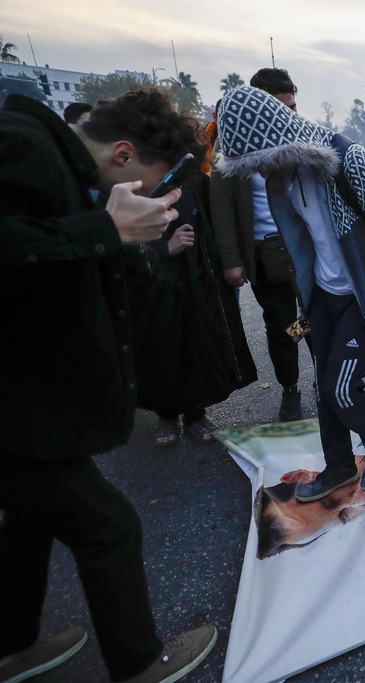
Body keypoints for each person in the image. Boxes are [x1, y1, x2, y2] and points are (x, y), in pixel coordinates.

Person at [0, 89, 217, 683]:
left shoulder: (60, 166)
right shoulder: (22, 144)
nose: (150, 201)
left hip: (25, 407)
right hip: (14, 409)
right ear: (122, 155)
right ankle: (141, 665)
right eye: (149, 186)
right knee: (110, 527)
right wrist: (104, 227)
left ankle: (12, 647)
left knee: (28, 520)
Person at [215, 85, 365, 501]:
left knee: (341, 386)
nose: (260, 173)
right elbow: (304, 245)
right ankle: (339, 466)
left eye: (261, 162)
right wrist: (303, 305)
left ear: (277, 143)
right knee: (321, 387)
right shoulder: (282, 180)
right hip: (321, 298)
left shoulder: (351, 162)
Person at [125, 171, 258, 446]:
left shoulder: (194, 175)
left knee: (200, 344)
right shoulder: (130, 176)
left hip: (199, 277)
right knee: (162, 346)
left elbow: (220, 217)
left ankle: (196, 415)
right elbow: (120, 231)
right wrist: (163, 249)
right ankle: (167, 415)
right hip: (153, 284)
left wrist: (230, 261)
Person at [210, 68, 306, 422]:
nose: (288, 116)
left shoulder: (300, 137)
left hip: (307, 251)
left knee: (315, 318)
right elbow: (221, 206)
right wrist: (232, 260)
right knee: (281, 325)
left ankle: (328, 383)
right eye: (281, 108)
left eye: (292, 107)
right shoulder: (231, 143)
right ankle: (291, 387)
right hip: (266, 256)